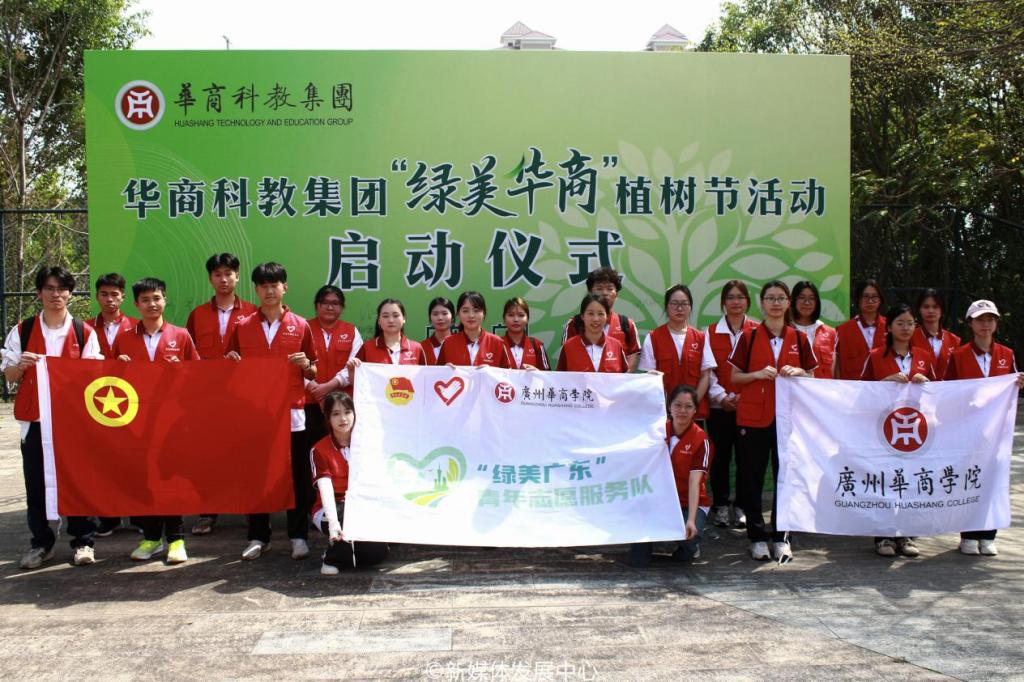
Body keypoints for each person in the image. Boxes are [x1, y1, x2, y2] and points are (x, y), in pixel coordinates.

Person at [2, 266, 102, 569]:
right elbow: (9, 375)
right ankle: (42, 543)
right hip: (35, 421)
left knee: (78, 480)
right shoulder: (23, 330)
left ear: (70, 293)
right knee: (36, 484)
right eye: (49, 288)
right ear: (39, 293)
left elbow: (93, 378)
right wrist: (21, 365)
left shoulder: (84, 332)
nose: (55, 294)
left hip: (73, 423)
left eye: (61, 289)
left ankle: (83, 541)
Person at [225, 262, 318, 561]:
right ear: (256, 289)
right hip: (255, 414)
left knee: (297, 476)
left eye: (274, 285)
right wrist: (231, 362)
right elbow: (228, 368)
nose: (269, 291)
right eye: (263, 286)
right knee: (257, 474)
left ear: (284, 287)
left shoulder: (301, 325)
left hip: (292, 414)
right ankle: (258, 536)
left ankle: (298, 536)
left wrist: (306, 365)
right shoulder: (242, 326)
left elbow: (314, 371)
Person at [113, 278, 200, 564]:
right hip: (136, 419)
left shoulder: (181, 335)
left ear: (165, 300)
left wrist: (182, 370)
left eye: (157, 298)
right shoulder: (124, 338)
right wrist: (119, 368)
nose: (152, 304)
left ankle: (176, 539)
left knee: (170, 478)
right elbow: (109, 380)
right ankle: (151, 538)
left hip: (172, 421)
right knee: (143, 479)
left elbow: (199, 377)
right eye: (146, 299)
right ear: (135, 304)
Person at [729, 280, 817, 562]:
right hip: (753, 417)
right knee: (752, 478)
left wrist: (799, 372)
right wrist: (756, 374)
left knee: (786, 478)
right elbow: (734, 377)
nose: (776, 303)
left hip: (788, 419)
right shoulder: (748, 336)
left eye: (781, 298)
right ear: (762, 303)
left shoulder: (799, 338)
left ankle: (781, 537)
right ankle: (756, 537)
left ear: (788, 303)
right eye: (770, 298)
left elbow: (813, 376)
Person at [944, 299, 1024, 557]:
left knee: (992, 480)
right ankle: (968, 535)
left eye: (990, 319)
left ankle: (988, 535)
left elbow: (1012, 385)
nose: (985, 324)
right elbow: (947, 390)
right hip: (967, 432)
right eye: (980, 319)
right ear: (970, 323)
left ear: (996, 323)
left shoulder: (1006, 354)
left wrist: (1018, 383)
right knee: (969, 479)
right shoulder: (958, 355)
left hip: (997, 432)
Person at [186, 252, 257, 536]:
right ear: (210, 279)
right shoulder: (198, 315)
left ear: (237, 277)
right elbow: (189, 355)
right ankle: (207, 512)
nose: (224, 279)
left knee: (246, 453)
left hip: (243, 397)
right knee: (209, 455)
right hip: (207, 398)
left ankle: (252, 511)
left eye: (229, 273)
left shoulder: (253, 312)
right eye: (218, 274)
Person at [859, 303, 933, 558]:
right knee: (885, 481)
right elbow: (861, 393)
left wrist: (926, 382)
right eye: (900, 323)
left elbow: (942, 392)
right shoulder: (875, 356)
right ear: (888, 327)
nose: (905, 328)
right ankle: (883, 536)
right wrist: (884, 383)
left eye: (910, 323)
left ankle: (906, 535)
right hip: (883, 431)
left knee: (909, 481)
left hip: (915, 432)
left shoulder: (924, 356)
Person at [628, 385, 714, 568]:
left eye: (688, 406)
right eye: (678, 405)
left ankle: (689, 545)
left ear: (695, 410)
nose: (682, 410)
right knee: (638, 560)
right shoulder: (656, 431)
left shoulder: (701, 440)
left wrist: (691, 520)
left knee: (689, 541)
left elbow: (694, 483)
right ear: (669, 407)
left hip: (687, 502)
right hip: (657, 498)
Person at [310, 391, 388, 574]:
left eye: (347, 412)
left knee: (377, 554)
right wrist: (333, 523)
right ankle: (332, 558)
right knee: (346, 517)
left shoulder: (366, 444)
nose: (343, 418)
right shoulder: (319, 449)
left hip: (362, 505)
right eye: (336, 414)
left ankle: (342, 550)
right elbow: (325, 489)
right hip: (331, 509)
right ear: (327, 418)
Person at [705, 280, 757, 530]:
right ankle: (721, 505)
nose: (736, 302)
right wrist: (721, 397)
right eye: (731, 297)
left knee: (747, 458)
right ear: (723, 302)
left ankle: (743, 507)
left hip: (750, 407)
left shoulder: (758, 331)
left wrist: (741, 398)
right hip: (719, 407)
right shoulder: (710, 332)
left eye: (740, 297)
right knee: (720, 458)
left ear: (747, 301)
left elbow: (760, 368)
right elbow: (707, 371)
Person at [90, 272, 138, 537]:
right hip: (96, 405)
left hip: (131, 406)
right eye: (104, 294)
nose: (110, 299)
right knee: (102, 461)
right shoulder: (84, 329)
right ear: (97, 296)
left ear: (123, 297)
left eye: (115, 294)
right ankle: (109, 517)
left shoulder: (137, 327)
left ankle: (139, 516)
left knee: (133, 458)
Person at [638, 285, 715, 415]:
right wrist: (669, 405)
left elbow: (705, 375)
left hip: (694, 413)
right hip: (663, 411)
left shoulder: (701, 337)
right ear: (667, 306)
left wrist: (691, 404)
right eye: (674, 304)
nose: (679, 308)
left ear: (690, 307)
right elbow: (650, 376)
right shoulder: (653, 337)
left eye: (684, 304)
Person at [304, 286, 363, 444]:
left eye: (335, 303)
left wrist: (328, 387)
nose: (330, 307)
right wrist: (314, 388)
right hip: (310, 402)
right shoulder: (303, 328)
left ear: (342, 307)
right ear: (317, 306)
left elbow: (355, 365)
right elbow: (296, 364)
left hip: (342, 404)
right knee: (309, 448)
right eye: (325, 302)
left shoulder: (351, 331)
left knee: (342, 447)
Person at [562, 267, 641, 371]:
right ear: (590, 292)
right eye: (599, 289)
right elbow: (566, 356)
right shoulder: (575, 323)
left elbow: (633, 356)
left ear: (616, 294)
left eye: (609, 289)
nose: (604, 293)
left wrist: (622, 378)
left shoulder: (626, 324)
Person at [556, 294, 629, 373]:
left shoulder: (616, 346)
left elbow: (625, 377)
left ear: (607, 317)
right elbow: (559, 377)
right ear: (582, 316)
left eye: (601, 314)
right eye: (590, 313)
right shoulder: (568, 347)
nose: (596, 319)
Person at [437, 291, 512, 368]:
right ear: (458, 314)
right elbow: (436, 373)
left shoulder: (497, 343)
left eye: (476, 310)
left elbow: (508, 373)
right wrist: (444, 370)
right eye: (465, 311)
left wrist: (492, 372)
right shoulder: (448, 343)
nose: (471, 315)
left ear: (484, 313)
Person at [349, 299, 428, 366]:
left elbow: (424, 377)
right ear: (379, 321)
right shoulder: (367, 348)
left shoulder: (416, 348)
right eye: (385, 316)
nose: (391, 320)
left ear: (404, 318)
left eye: (396, 315)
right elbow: (357, 377)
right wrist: (352, 369)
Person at [834, 279, 887, 379]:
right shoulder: (842, 331)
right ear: (858, 299)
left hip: (884, 385)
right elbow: (836, 365)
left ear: (880, 299)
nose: (870, 301)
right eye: (865, 296)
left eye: (874, 296)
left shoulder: (891, 327)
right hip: (852, 386)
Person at [911, 288, 961, 380]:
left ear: (942, 310)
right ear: (919, 309)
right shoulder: (910, 337)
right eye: (926, 307)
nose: (931, 311)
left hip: (948, 388)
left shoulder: (954, 340)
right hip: (918, 387)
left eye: (935, 307)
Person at [791, 280, 837, 379]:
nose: (807, 302)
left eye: (811, 298)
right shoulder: (785, 330)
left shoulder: (830, 333)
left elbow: (837, 370)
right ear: (793, 300)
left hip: (823, 387)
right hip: (792, 387)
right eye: (802, 297)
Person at [501, 297, 549, 370]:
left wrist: (537, 372)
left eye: (521, 315)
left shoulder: (537, 345)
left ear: (527, 319)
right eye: (511, 315)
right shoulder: (497, 344)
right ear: (504, 319)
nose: (516, 319)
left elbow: (548, 374)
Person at [420, 297, 455, 365]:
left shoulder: (461, 344)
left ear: (452, 317)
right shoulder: (422, 347)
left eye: (444, 313)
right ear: (430, 318)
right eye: (435, 314)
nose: (440, 318)